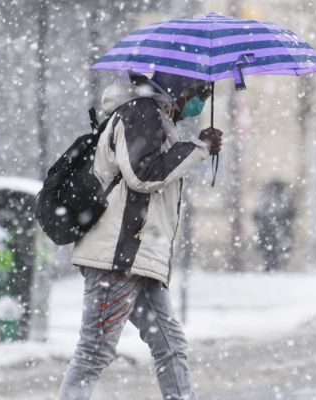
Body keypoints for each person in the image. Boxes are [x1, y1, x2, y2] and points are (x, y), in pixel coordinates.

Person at [57, 71, 221, 400]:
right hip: (119, 256)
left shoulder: (155, 118)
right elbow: (143, 175)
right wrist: (199, 148)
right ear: (180, 86)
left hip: (138, 256)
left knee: (170, 346)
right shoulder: (141, 112)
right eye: (201, 90)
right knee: (94, 353)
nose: (203, 100)